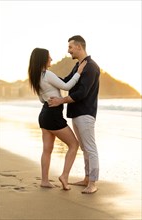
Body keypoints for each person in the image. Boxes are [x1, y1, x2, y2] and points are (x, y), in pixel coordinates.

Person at [28, 47, 86, 190]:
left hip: (44, 115)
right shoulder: (46, 74)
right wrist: (78, 72)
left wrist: (51, 98)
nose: (51, 59)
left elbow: (43, 99)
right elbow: (66, 85)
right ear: (43, 59)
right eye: (49, 56)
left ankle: (45, 181)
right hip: (53, 116)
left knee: (47, 149)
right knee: (74, 145)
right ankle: (64, 176)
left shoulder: (36, 77)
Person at [48, 35, 100, 194]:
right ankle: (86, 178)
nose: (68, 50)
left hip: (85, 113)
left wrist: (60, 101)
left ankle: (93, 182)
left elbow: (82, 93)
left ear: (79, 47)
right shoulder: (79, 65)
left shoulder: (90, 67)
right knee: (84, 147)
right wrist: (45, 74)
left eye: (70, 47)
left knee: (90, 148)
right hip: (77, 113)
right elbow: (65, 81)